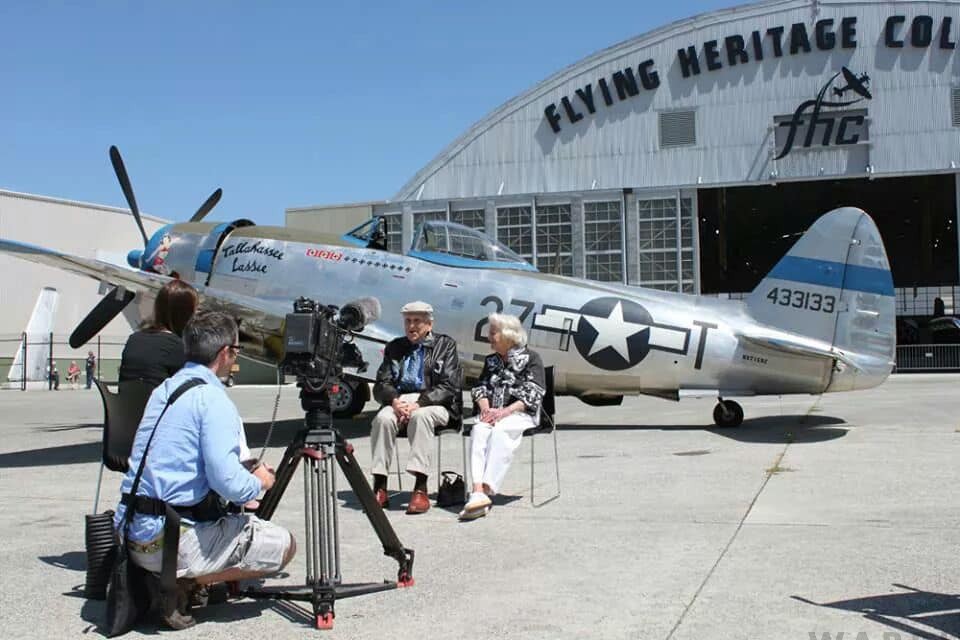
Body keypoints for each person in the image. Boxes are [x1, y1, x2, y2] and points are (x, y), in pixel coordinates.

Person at [113, 311, 295, 630]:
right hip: (167, 543)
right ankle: (179, 584)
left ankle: (171, 576)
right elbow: (230, 485)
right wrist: (259, 482)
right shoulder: (212, 398)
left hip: (130, 531)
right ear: (225, 353)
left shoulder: (166, 390)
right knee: (284, 544)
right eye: (236, 351)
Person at [370, 301, 462, 514]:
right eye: (408, 321)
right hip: (400, 400)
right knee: (382, 420)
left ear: (429, 324)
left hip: (434, 402)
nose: (411, 326)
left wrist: (418, 403)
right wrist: (394, 400)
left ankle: (420, 488)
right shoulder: (395, 346)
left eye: (417, 321)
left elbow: (449, 386)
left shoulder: (445, 345)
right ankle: (379, 485)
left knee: (420, 417)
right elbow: (382, 383)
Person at [460, 313, 546, 521]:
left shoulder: (532, 358)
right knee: (479, 429)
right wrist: (486, 409)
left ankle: (486, 490)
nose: (488, 337)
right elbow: (480, 387)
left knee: (500, 431)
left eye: (492, 333)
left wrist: (505, 412)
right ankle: (477, 489)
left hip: (520, 413)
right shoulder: (491, 361)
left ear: (507, 335)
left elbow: (534, 391)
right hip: (493, 413)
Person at [119, 280, 199, 390]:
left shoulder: (134, 339)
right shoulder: (178, 346)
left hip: (127, 407)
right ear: (185, 314)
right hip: (159, 405)